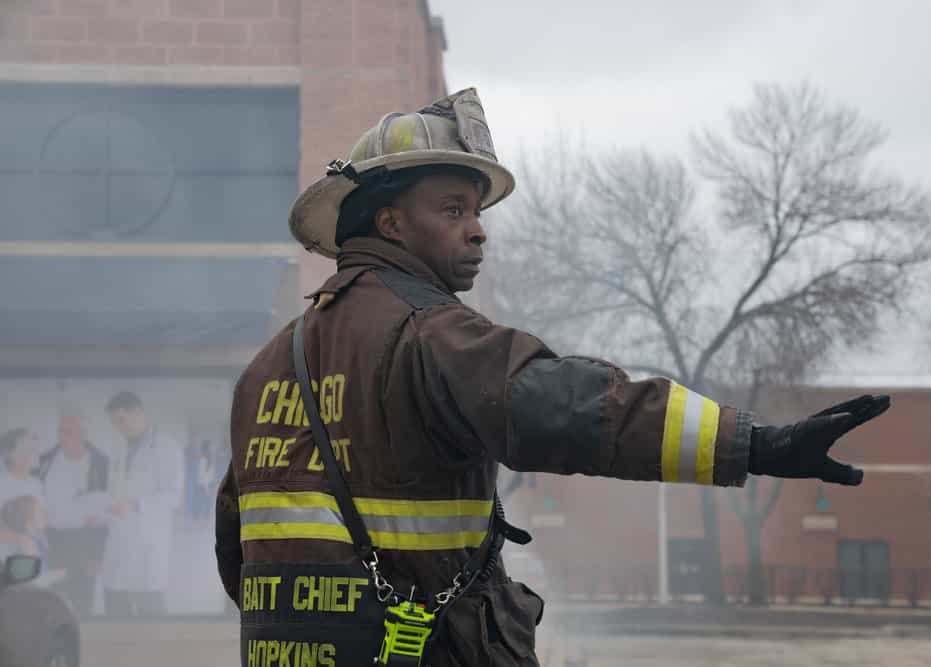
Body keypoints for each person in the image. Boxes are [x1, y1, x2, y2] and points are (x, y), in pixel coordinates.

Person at [215, 88, 891, 666]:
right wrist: (757, 444)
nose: (478, 232)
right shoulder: (430, 333)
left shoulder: (269, 365)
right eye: (452, 210)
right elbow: (572, 408)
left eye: (477, 212)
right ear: (391, 222)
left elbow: (235, 546)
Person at [103, 391, 183, 618]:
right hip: (119, 539)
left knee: (150, 613)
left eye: (121, 420)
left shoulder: (166, 448)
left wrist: (137, 504)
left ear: (139, 413)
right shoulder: (118, 448)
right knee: (116, 609)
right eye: (114, 422)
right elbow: (114, 489)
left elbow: (174, 496)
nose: (118, 426)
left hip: (148, 541)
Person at [38, 412, 110, 617]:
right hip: (51, 541)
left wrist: (98, 555)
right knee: (51, 600)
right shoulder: (45, 461)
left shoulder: (102, 464)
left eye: (69, 432)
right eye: (60, 431)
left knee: (82, 601)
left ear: (84, 435)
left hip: (84, 542)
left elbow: (108, 514)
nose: (62, 437)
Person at [0, 428, 43, 508]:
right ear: (11, 453)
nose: (36, 452)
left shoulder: (36, 484)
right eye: (29, 447)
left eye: (35, 447)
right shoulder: (2, 484)